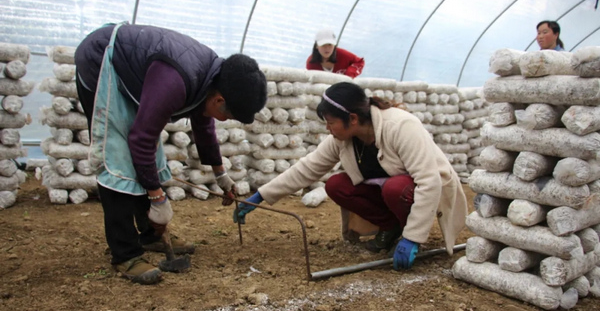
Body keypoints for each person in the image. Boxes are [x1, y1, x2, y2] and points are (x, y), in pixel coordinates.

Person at [74, 22, 267, 285]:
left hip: (135, 68)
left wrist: (221, 175)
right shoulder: (176, 80)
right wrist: (157, 198)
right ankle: (125, 253)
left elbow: (204, 125)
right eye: (228, 115)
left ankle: (150, 234)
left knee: (146, 154)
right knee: (118, 155)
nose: (222, 120)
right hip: (102, 60)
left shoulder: (211, 79)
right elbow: (141, 140)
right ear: (220, 100)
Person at [233, 82, 467, 270]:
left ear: (352, 119)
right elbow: (307, 168)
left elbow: (429, 181)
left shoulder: (400, 126)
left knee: (395, 188)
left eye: (331, 122)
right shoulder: (342, 139)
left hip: (419, 191)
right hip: (389, 191)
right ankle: (390, 228)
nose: (328, 128)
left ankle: (406, 235)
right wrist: (261, 195)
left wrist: (413, 237)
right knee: (336, 185)